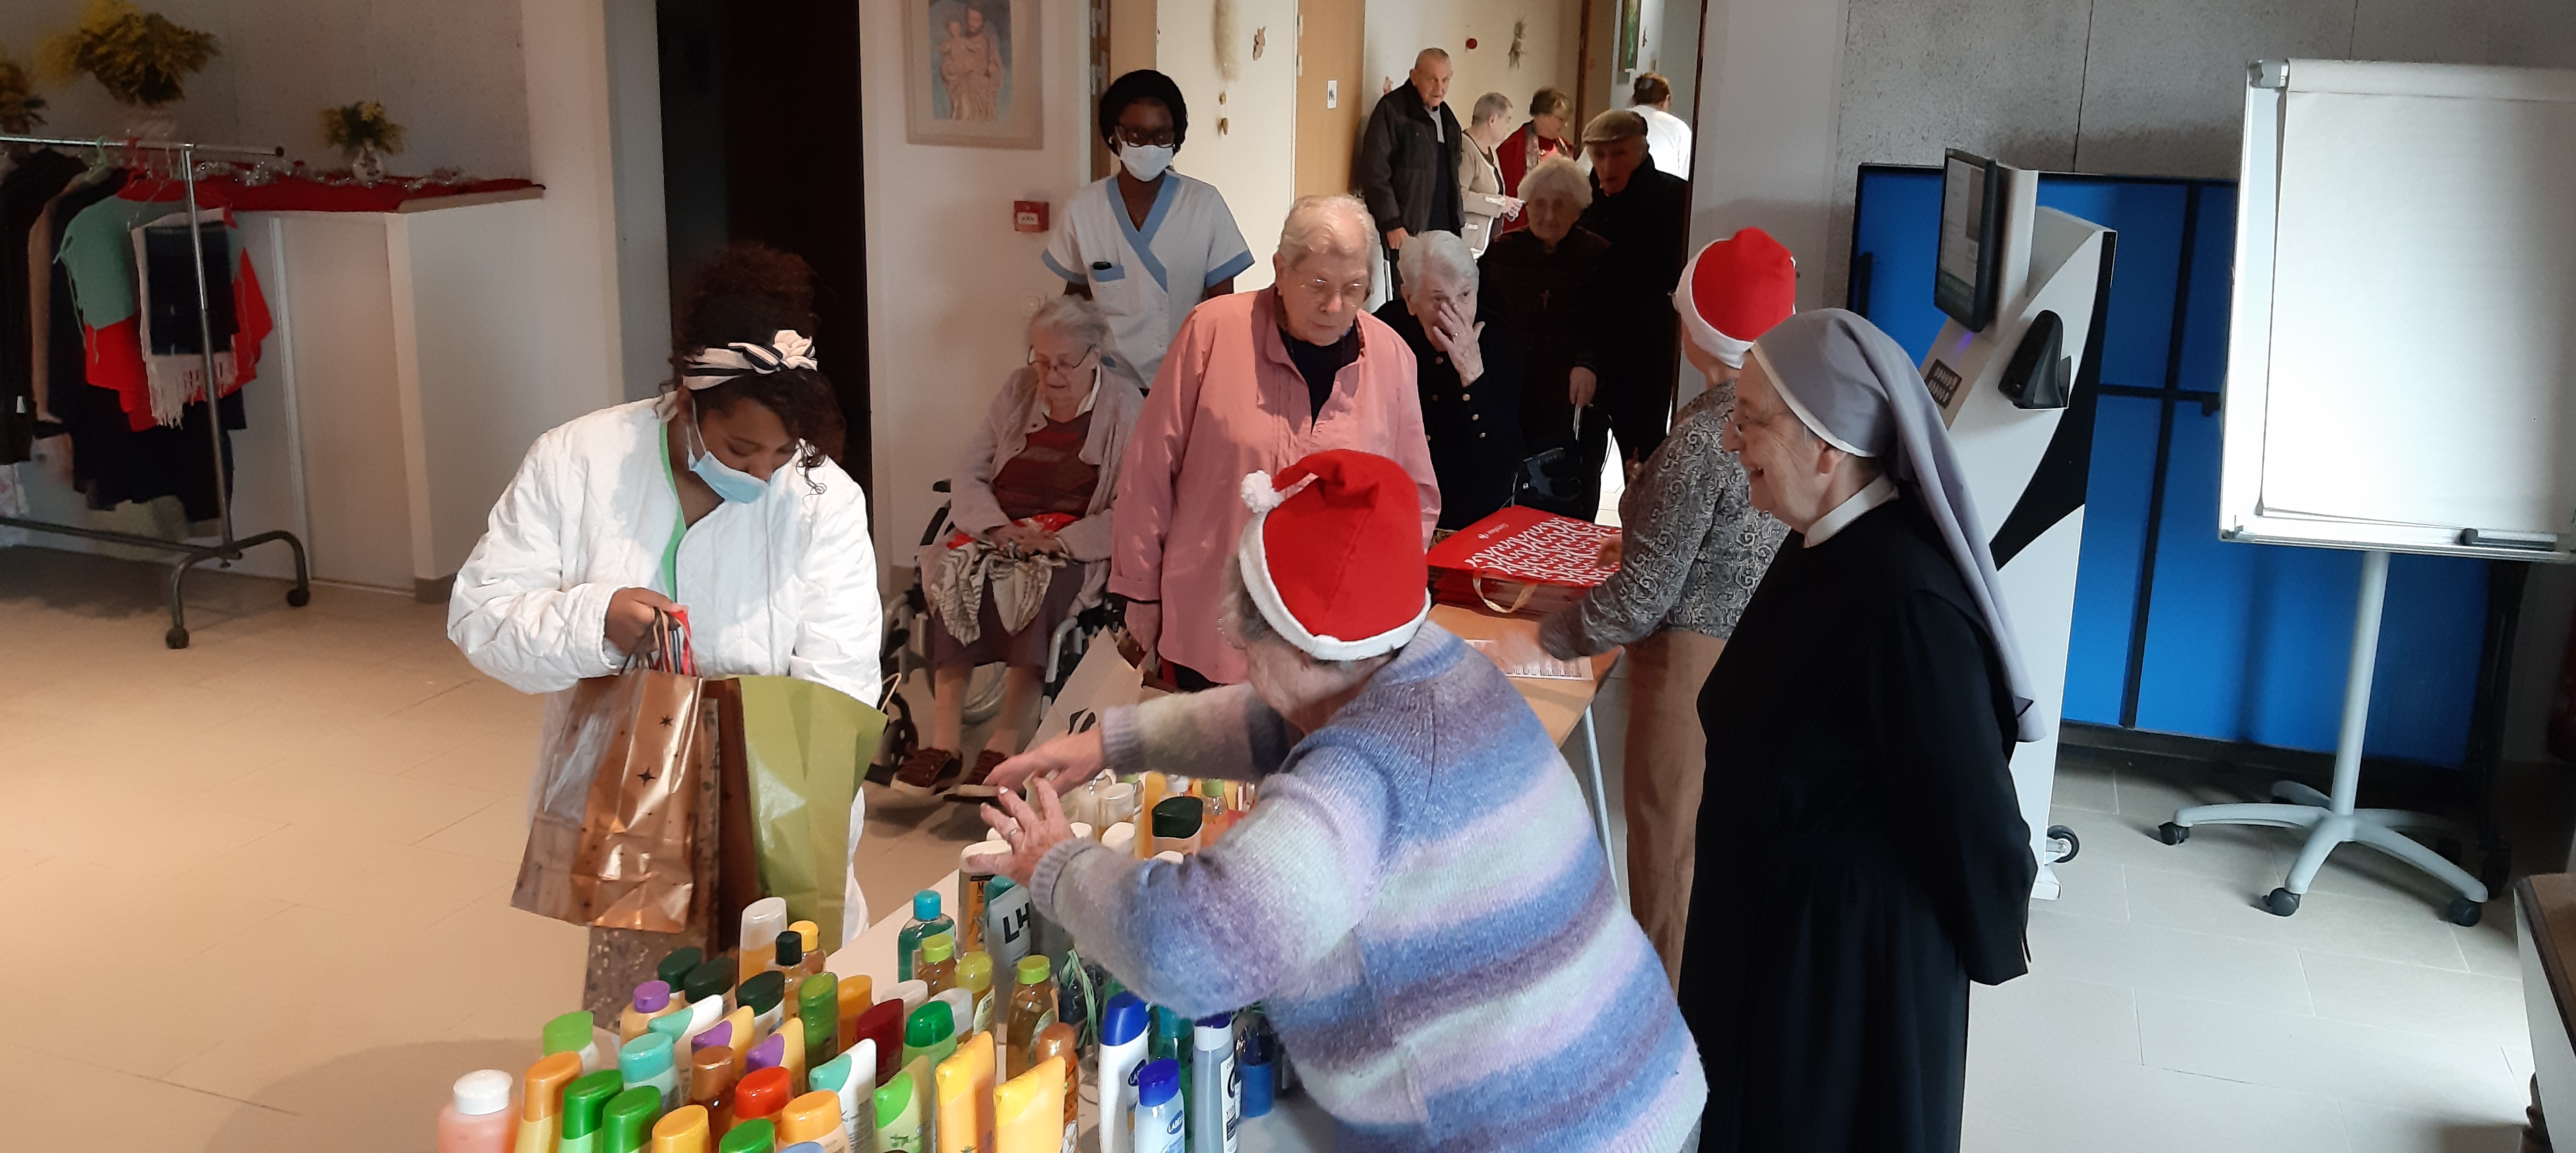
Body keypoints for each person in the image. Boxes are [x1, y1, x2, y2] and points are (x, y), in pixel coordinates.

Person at [978, 449, 1707, 1150]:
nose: (1241, 660)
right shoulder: (1427, 660)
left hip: (1543, 1132)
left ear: (1293, 647)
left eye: (1244, 637)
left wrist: (1056, 863)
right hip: (1636, 1073)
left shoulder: (1361, 774)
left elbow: (1188, 947)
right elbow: (1278, 716)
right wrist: (1113, 742)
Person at [448, 242, 884, 1015]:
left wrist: (778, 806)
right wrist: (597, 623)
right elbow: (480, 616)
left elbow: (840, 685)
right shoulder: (576, 463)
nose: (761, 475)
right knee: (645, 1017)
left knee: (779, 1026)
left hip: (774, 802)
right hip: (632, 806)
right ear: (687, 397)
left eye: (781, 453)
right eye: (739, 448)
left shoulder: (821, 499)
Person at [1681, 307, 2039, 1152]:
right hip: (1777, 935)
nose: (1731, 443)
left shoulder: (1904, 600)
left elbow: (1972, 817)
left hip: (1839, 976)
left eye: (1749, 420)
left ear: (1826, 446)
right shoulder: (1823, 538)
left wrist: (1992, 927)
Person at [1491, 229, 1794, 989]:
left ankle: (1659, 1038)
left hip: (1691, 668)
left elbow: (1641, 599)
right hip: (1755, 653)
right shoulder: (1777, 407)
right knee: (1711, 855)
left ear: (1695, 325)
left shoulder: (1702, 438)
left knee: (1667, 864)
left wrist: (1545, 632)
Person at [1110, 194, 1439, 689]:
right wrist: (1140, 591)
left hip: (1334, 638)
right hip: (1215, 620)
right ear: (1280, 271)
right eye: (1318, 285)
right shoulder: (1212, 332)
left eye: (1355, 289)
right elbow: (1149, 470)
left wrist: (1386, 599)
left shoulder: (1391, 355)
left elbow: (1414, 495)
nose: (1336, 306)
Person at [891, 295, 1141, 799]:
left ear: (1095, 355)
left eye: (1064, 362)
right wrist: (997, 529)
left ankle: (1006, 740)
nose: (1050, 374)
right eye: (1041, 360)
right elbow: (970, 471)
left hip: (1069, 539)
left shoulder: (1125, 405)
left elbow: (1129, 504)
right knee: (957, 572)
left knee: (1033, 581)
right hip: (1000, 529)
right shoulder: (1017, 390)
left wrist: (1057, 540)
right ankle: (944, 744)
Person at [1045, 69, 1256, 388]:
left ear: (1176, 140)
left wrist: (1220, 376)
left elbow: (1221, 308)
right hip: (1108, 379)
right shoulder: (1084, 209)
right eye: (1136, 135)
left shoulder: (1204, 204)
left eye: (1161, 136)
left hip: (1184, 376)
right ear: (1114, 135)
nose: (1149, 146)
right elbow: (1075, 298)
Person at [1476, 153, 1609, 520]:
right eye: (1539, 205)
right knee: (1510, 470)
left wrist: (1589, 363)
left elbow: (1608, 324)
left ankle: (1571, 548)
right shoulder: (1502, 253)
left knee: (1571, 476)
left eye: (1560, 206)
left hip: (1572, 389)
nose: (1548, 215)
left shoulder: (1598, 256)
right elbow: (1480, 314)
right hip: (1511, 383)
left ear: (1579, 209)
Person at [1376, 230, 1522, 530]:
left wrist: (1473, 375)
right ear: (1410, 299)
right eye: (1438, 299)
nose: (1454, 312)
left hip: (1476, 513)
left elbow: (1508, 455)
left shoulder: (1498, 338)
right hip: (1396, 507)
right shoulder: (1383, 334)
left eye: (1465, 296)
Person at [1578, 108, 1691, 473]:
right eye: (1599, 156)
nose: (1607, 166)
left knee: (1643, 468)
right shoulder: (1583, 201)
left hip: (1646, 358)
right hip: (1590, 353)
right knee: (1580, 469)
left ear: (1642, 150)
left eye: (1619, 154)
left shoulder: (1676, 199)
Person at [1354, 48, 1464, 272]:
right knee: (1408, 299)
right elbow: (1375, 172)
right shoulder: (1392, 111)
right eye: (1432, 79)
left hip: (1445, 229)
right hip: (1408, 231)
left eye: (1445, 80)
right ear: (1414, 77)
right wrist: (1392, 223)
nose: (1440, 88)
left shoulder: (1448, 119)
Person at [1494, 87, 1573, 231]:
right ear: (1541, 115)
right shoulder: (1512, 148)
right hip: (1524, 228)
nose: (1565, 125)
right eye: (1561, 119)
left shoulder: (1566, 148)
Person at [1457, 90, 1522, 256]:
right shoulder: (1466, 149)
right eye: (1507, 120)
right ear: (1493, 119)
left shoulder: (1491, 151)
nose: (1509, 128)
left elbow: (1492, 194)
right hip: (1467, 249)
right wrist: (1500, 204)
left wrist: (1507, 206)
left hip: (1486, 247)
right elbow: (1460, 197)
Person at [1628, 72, 1692, 180]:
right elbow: (1685, 176)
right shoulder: (1679, 128)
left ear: (1634, 99)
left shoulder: (1612, 122)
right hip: (1663, 193)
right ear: (1666, 100)